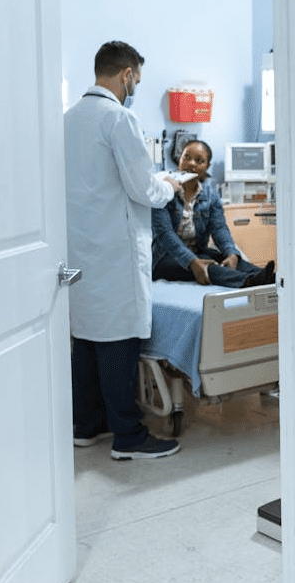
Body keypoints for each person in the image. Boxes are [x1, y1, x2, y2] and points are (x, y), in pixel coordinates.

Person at [65, 40, 182, 460]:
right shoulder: (119, 119)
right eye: (137, 79)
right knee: (117, 341)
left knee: (87, 338)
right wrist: (168, 186)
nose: (136, 87)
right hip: (114, 251)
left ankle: (85, 425)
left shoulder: (68, 120)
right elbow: (143, 188)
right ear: (126, 73)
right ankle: (128, 437)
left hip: (80, 250)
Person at [151, 139, 275, 288]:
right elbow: (165, 235)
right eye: (187, 157)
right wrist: (193, 262)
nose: (191, 163)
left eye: (199, 161)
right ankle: (247, 281)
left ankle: (270, 278)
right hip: (164, 258)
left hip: (197, 251)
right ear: (179, 159)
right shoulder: (163, 193)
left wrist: (231, 254)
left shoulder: (211, 195)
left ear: (207, 166)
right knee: (209, 267)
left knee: (226, 257)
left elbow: (219, 228)